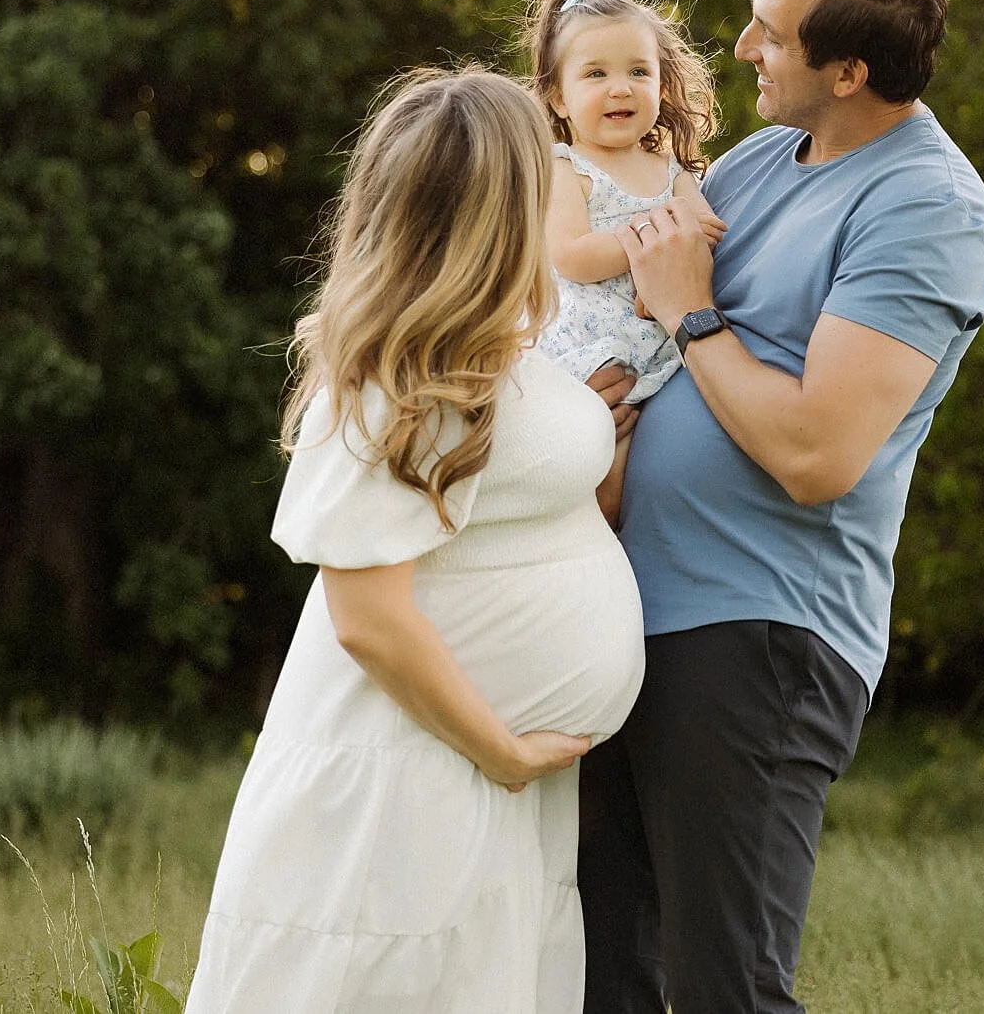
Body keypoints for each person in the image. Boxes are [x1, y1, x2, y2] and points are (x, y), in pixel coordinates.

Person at [577, 0, 984, 1013]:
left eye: (770, 33)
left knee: (725, 989)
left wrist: (691, 317)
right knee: (593, 976)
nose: (742, 49)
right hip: (623, 611)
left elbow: (817, 453)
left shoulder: (927, 208)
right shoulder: (764, 158)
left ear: (848, 70)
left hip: (757, 634)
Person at [185, 68, 647, 1013]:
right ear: (498, 207)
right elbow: (367, 618)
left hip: (482, 784)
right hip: (411, 774)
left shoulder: (508, 345)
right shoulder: (387, 369)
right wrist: (503, 752)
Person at [522, 0, 723, 516]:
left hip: (658, 344)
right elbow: (574, 256)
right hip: (590, 346)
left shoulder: (673, 172)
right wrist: (654, 242)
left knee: (643, 472)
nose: (621, 88)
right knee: (598, 469)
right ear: (558, 97)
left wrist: (677, 248)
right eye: (596, 74)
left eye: (639, 72)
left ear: (662, 84)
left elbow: (704, 235)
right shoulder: (565, 167)